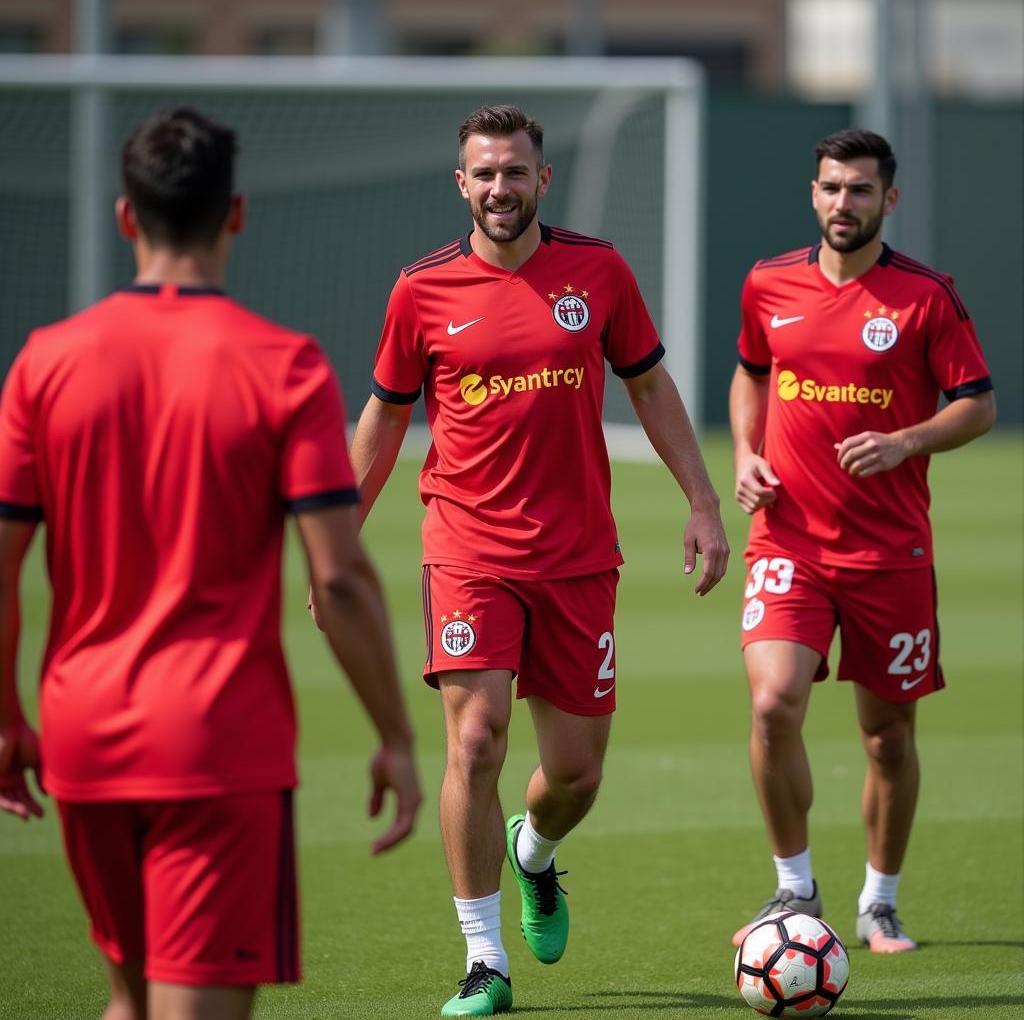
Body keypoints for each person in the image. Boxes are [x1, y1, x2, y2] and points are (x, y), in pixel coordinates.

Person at [0, 107, 421, 1020]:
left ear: (125, 217)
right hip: (214, 742)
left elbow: (1, 566)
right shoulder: (283, 366)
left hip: (81, 733)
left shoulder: (43, 363)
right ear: (235, 214)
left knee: (130, 1000)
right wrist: (395, 731)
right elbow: (340, 577)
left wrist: (5, 717)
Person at [349, 104, 728, 1016]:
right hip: (469, 546)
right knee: (475, 745)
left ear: (542, 180)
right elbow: (386, 416)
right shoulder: (421, 290)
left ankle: (536, 855)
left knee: (575, 774)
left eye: (515, 172)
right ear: (461, 183)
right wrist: (336, 542)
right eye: (483, 173)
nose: (499, 188)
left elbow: (650, 384)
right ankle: (485, 961)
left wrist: (704, 501)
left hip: (578, 556)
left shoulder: (597, 271)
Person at [729, 128, 995, 954]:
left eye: (861, 190)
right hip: (789, 544)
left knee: (888, 737)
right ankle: (793, 888)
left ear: (891, 199)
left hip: (891, 554)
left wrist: (906, 442)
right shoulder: (768, 283)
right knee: (774, 703)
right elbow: (751, 371)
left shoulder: (925, 295)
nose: (844, 204)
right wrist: (745, 451)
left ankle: (880, 901)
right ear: (813, 193)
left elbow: (977, 404)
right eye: (831, 188)